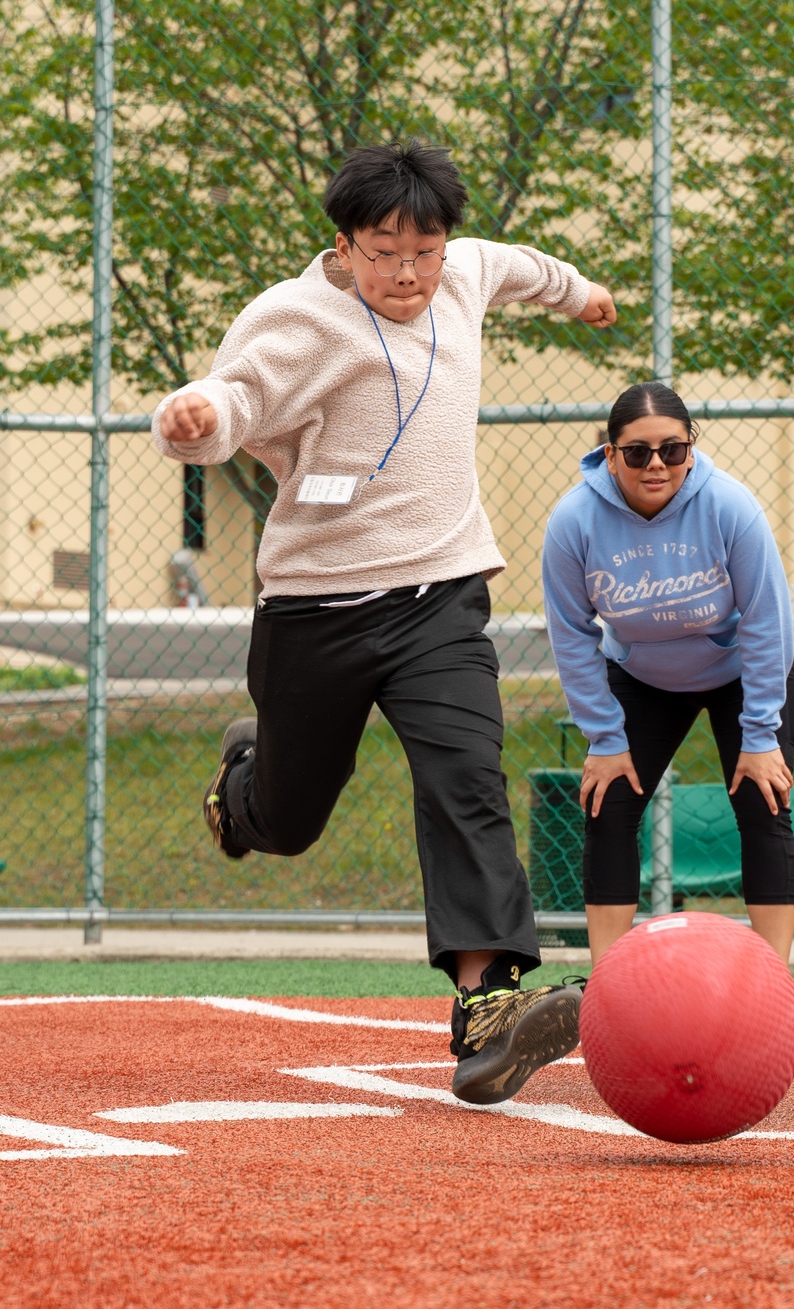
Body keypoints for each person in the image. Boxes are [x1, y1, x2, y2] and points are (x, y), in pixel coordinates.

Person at [152, 139, 617, 1103]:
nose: (406, 275)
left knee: (467, 780)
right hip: (315, 607)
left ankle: (488, 1007)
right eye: (383, 252)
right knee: (289, 820)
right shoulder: (296, 318)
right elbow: (231, 397)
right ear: (344, 242)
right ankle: (245, 787)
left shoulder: (465, 274)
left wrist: (583, 294)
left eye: (424, 251)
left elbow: (526, 268)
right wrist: (190, 420)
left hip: (441, 596)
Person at [541, 382, 794, 967]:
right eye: (637, 452)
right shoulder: (574, 521)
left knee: (764, 801)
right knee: (607, 803)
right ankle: (606, 982)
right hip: (645, 673)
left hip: (743, 670)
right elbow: (572, 634)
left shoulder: (729, 506)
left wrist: (760, 734)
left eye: (672, 449)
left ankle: (775, 985)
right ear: (610, 454)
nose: (656, 464)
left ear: (690, 448)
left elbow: (767, 623)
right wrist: (604, 739)